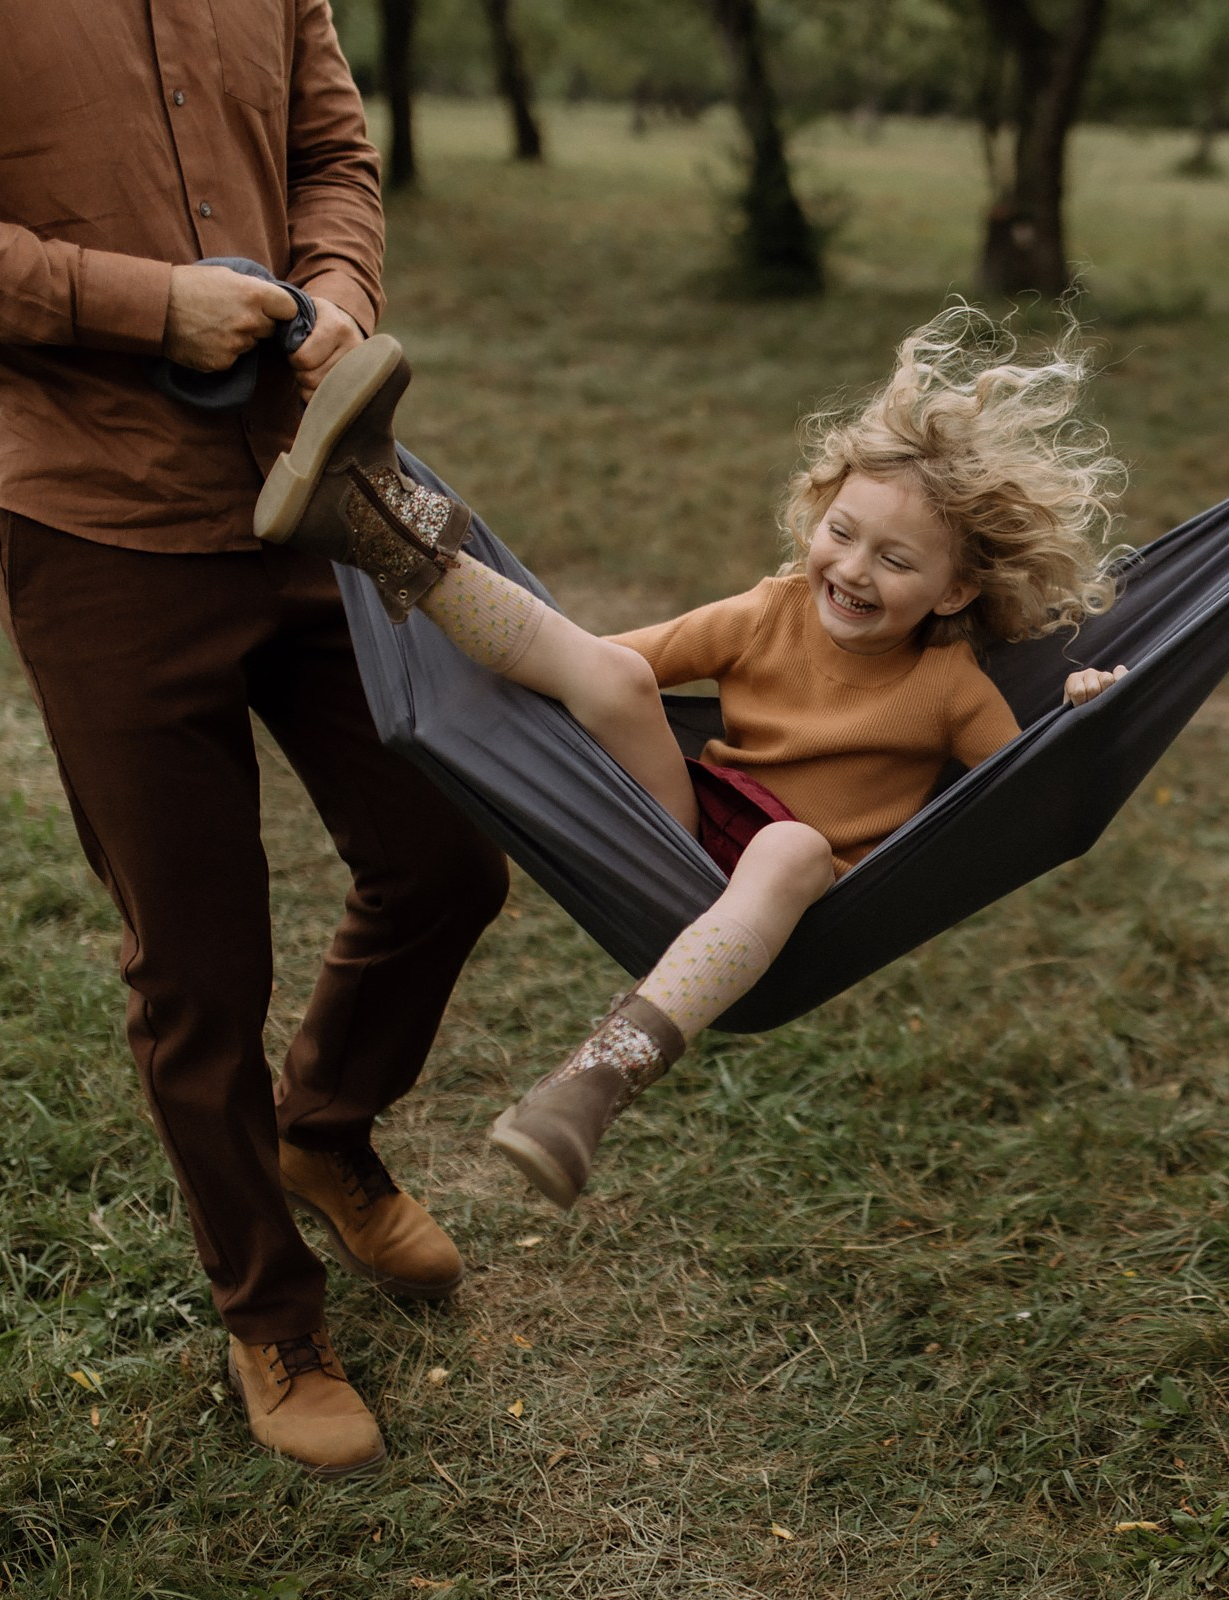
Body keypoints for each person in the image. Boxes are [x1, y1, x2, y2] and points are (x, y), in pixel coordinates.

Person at [0, 4, 511, 1477]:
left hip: (322, 486)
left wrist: (338, 286)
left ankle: (327, 1125)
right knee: (198, 966)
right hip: (89, 511)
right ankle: (272, 1313)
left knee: (446, 858)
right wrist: (141, 304)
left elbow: (331, 151)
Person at [256, 306, 1129, 1209]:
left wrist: (1079, 714)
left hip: (802, 891)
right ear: (817, 512)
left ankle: (592, 1084)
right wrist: (546, 717)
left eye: (897, 561)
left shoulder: (952, 688)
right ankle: (373, 519)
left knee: (786, 848)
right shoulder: (769, 609)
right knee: (616, 675)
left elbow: (1017, 798)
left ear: (957, 589)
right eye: (842, 531)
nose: (855, 570)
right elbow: (598, 663)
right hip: (683, 832)